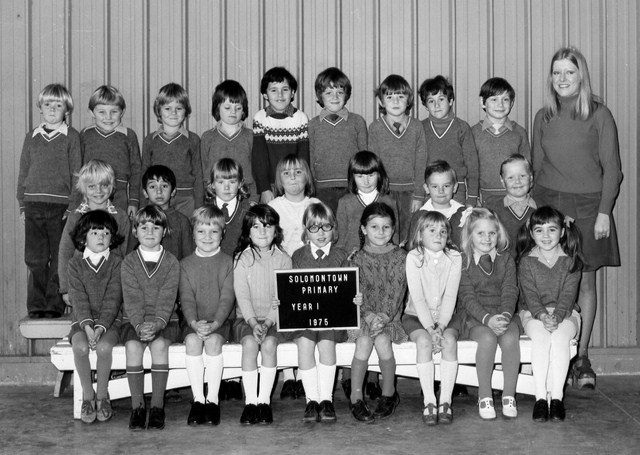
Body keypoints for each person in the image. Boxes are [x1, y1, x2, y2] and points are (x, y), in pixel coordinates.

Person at [532, 46, 622, 390]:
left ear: (581, 75)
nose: (562, 78)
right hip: (549, 207)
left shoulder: (600, 114)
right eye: (557, 72)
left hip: (589, 209)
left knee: (584, 283)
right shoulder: (543, 116)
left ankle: (580, 358)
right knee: (549, 282)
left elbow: (612, 169)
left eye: (569, 72)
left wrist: (604, 212)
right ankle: (550, 354)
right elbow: (536, 166)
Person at [286, 202, 358, 422]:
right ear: (306, 231)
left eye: (326, 227)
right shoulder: (298, 256)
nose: (320, 233)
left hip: (332, 320)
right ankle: (312, 400)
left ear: (333, 229)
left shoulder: (341, 256)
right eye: (314, 227)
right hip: (306, 319)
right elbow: (293, 290)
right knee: (305, 344)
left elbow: (347, 290)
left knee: (327, 343)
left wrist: (355, 298)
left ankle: (326, 399)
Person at [17, 83, 82, 318]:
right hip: (33, 204)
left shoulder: (71, 137)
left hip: (60, 207)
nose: (52, 109)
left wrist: (73, 205)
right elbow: (23, 171)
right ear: (40, 107)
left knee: (58, 256)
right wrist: (22, 203)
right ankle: (36, 305)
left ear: (67, 110)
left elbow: (77, 174)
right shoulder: (32, 136)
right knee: (35, 258)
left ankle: (54, 305)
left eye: (58, 105)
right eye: (47, 104)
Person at [448, 208, 520, 420]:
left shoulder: (506, 260)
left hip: (503, 313)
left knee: (510, 337)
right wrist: (488, 319)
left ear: (499, 234)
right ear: (470, 235)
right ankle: (485, 395)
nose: (487, 238)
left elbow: (510, 290)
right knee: (488, 338)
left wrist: (505, 316)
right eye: (480, 233)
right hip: (474, 317)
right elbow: (467, 297)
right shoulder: (463, 261)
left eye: (492, 233)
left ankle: (509, 395)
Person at [516, 206, 583, 422]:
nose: (545, 236)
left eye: (551, 230)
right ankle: (540, 400)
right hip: (533, 313)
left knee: (561, 338)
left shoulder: (571, 261)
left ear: (562, 232)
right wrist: (543, 316)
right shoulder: (526, 261)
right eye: (539, 230)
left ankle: (556, 399)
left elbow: (568, 296)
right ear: (531, 233)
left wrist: (558, 316)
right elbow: (530, 295)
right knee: (542, 338)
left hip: (566, 312)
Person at [121, 205, 181, 431]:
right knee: (133, 348)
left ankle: (157, 407)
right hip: (134, 321)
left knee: (159, 346)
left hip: (165, 320)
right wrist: (139, 325)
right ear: (135, 231)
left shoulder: (171, 262)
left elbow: (168, 298)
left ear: (164, 231)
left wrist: (157, 324)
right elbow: (131, 299)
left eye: (156, 227)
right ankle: (137, 407)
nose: (149, 232)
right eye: (143, 227)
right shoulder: (128, 262)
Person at [346, 202, 407, 422]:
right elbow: (356, 293)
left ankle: (389, 394)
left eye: (386, 227)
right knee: (363, 342)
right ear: (364, 229)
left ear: (393, 229)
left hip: (390, 317)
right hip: (364, 316)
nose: (381, 232)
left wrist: (382, 317)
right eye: (374, 227)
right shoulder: (356, 259)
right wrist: (370, 316)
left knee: (382, 341)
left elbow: (397, 291)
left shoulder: (400, 256)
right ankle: (355, 398)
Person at [233, 204, 292, 425]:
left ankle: (264, 402)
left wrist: (267, 323)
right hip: (246, 319)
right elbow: (242, 295)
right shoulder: (242, 258)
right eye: (256, 226)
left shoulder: (284, 259)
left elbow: (281, 296)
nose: (262, 231)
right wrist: (253, 322)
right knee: (250, 344)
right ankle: (251, 402)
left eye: (268, 226)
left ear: (276, 231)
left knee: (268, 345)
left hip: (273, 319)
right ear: (248, 232)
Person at [403, 211, 462, 425]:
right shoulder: (413, 257)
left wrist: (441, 326)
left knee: (449, 341)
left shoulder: (454, 257)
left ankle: (445, 400)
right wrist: (430, 328)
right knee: (424, 342)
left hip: (446, 317)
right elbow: (417, 297)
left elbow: (451, 296)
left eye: (443, 231)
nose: (438, 235)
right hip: (416, 316)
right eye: (432, 230)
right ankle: (429, 400)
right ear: (420, 235)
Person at [67, 210, 124, 424]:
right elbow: (78, 299)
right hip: (82, 322)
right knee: (81, 347)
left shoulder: (116, 262)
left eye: (106, 233)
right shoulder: (75, 264)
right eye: (95, 233)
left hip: (110, 322)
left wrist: (100, 327)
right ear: (83, 238)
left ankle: (102, 396)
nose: (101, 237)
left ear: (112, 238)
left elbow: (113, 298)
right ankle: (88, 395)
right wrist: (88, 327)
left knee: (103, 348)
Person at [180, 206, 235, 426]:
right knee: (192, 342)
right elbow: (186, 298)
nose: (207, 237)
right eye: (201, 231)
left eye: (214, 231)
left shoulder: (228, 262)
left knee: (212, 342)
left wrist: (215, 324)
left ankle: (212, 400)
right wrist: (194, 323)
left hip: (221, 322)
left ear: (223, 233)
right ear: (193, 234)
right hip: (193, 322)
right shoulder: (185, 265)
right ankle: (198, 400)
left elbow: (227, 298)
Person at [58, 160, 131, 308]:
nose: (99, 191)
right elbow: (65, 252)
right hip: (81, 283)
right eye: (92, 186)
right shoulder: (75, 216)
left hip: (112, 282)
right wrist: (66, 288)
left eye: (104, 185)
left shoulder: (121, 216)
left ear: (112, 186)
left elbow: (126, 253)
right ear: (83, 188)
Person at [368, 75, 427, 241]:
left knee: (411, 237)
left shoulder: (416, 127)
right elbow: (374, 165)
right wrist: (377, 193)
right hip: (385, 192)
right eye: (389, 97)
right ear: (381, 102)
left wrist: (418, 195)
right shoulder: (375, 128)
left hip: (411, 192)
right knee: (388, 236)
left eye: (400, 96)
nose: (395, 101)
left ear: (408, 100)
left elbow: (421, 162)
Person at [308, 67, 368, 212]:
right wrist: (311, 184)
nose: (335, 97)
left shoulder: (357, 121)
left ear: (346, 95)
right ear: (320, 96)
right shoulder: (313, 124)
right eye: (328, 93)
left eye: (339, 92)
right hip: (322, 187)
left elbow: (364, 155)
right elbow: (310, 155)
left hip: (352, 186)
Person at [142, 82, 203, 217]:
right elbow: (144, 174)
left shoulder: (193, 139)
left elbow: (198, 175)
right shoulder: (150, 140)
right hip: (158, 197)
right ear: (159, 110)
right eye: (167, 108)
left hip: (186, 200)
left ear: (186, 111)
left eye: (179, 108)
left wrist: (199, 206)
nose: (173, 113)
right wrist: (142, 205)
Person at [81, 85, 141, 216]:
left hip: (120, 195)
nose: (108, 117)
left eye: (114, 112)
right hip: (92, 195)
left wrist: (134, 201)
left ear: (122, 112)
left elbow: (136, 171)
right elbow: (78, 169)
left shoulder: (128, 135)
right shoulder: (85, 134)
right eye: (102, 112)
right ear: (91, 112)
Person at [252, 67, 309, 204]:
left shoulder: (301, 118)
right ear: (265, 95)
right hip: (270, 187)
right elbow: (259, 158)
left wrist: (301, 186)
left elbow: (303, 157)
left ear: (292, 92)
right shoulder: (260, 118)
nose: (280, 95)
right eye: (273, 90)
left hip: (294, 184)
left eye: (285, 89)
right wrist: (264, 189)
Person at [419, 75, 478, 206]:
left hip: (457, 191)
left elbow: (472, 166)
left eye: (441, 99)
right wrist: (418, 194)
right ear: (425, 106)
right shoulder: (420, 128)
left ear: (450, 101)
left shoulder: (462, 128)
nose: (437, 105)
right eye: (431, 101)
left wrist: (472, 197)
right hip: (429, 192)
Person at [471, 77, 530, 209]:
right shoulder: (473, 133)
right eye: (494, 99)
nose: (500, 105)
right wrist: (473, 197)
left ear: (512, 103)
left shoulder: (519, 133)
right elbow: (470, 170)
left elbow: (527, 168)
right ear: (482, 102)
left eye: (505, 99)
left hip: (514, 196)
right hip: (484, 198)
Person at [200, 80, 256, 202]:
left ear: (243, 110)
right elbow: (205, 174)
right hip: (215, 199)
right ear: (217, 108)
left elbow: (256, 172)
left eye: (238, 108)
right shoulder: (207, 138)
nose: (233, 112)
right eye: (227, 107)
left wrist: (253, 201)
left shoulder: (251, 137)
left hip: (245, 197)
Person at [336, 151, 398, 255]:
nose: (366, 182)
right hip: (352, 257)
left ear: (379, 175)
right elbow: (340, 239)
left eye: (371, 175)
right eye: (360, 176)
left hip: (382, 256)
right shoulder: (345, 202)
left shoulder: (389, 201)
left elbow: (395, 236)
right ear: (352, 177)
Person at [129, 165, 194, 261]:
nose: (159, 191)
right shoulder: (139, 219)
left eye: (164, 186)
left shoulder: (182, 221)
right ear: (145, 193)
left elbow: (189, 258)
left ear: (173, 191)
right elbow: (129, 257)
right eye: (152, 186)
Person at [408, 160, 471, 248]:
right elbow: (413, 246)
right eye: (435, 186)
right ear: (426, 188)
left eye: (446, 186)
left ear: (455, 187)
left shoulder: (464, 214)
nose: (441, 191)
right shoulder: (419, 216)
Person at [491, 154, 537, 256]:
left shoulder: (540, 208)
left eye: (522, 176)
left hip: (532, 263)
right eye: (511, 177)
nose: (517, 181)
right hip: (502, 263)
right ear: (502, 181)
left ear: (531, 178)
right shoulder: (493, 208)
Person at [206, 158, 253, 257]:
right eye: (220, 182)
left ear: (240, 183)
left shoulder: (248, 211)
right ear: (212, 184)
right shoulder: (204, 212)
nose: (226, 188)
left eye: (232, 182)